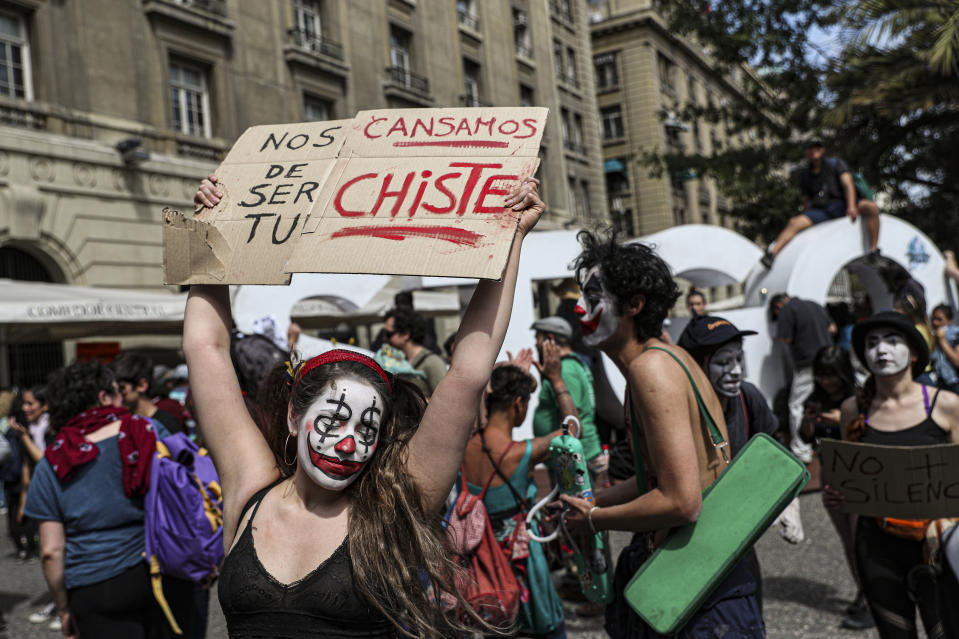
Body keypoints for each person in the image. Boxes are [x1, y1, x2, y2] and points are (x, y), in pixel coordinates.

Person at [190, 174, 545, 638]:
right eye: (335, 420)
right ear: (296, 417)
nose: (348, 444)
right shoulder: (250, 488)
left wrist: (511, 233)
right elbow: (205, 348)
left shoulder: (393, 504)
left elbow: (470, 371)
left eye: (367, 430)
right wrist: (208, 229)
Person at [559, 230, 764, 638]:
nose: (579, 309)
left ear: (635, 305)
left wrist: (596, 519)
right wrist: (592, 500)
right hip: (701, 585)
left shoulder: (651, 369)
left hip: (702, 596)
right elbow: (665, 477)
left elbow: (681, 501)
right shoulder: (667, 360)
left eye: (593, 297)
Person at [22, 361, 194, 638]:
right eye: (116, 391)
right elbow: (188, 491)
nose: (122, 398)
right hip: (164, 571)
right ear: (103, 397)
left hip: (94, 585)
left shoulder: (52, 461)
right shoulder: (147, 431)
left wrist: (64, 608)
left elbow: (51, 550)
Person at [825, 311, 959, 639]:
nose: (881, 350)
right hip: (877, 548)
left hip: (936, 546)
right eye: (872, 343)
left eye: (892, 341)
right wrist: (839, 495)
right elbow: (849, 480)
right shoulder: (853, 410)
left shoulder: (947, 406)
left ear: (914, 353)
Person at [462, 363, 573, 639]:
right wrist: (557, 381)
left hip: (479, 562)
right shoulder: (521, 454)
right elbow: (572, 429)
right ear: (519, 403)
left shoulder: (464, 447)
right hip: (522, 564)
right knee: (547, 628)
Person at [798, 346, 872, 630]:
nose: (827, 381)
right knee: (847, 542)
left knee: (861, 541)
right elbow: (805, 438)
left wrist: (840, 420)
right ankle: (863, 591)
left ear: (843, 372)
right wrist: (808, 421)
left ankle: (871, 599)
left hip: (857, 475)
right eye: (822, 375)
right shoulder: (816, 399)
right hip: (830, 472)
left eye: (832, 375)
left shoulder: (859, 398)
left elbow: (866, 435)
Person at [762, 138, 879, 267]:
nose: (814, 151)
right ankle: (772, 254)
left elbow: (848, 185)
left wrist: (851, 206)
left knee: (871, 208)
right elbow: (806, 199)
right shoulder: (805, 175)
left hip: (842, 204)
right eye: (810, 148)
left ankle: (873, 251)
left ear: (822, 150)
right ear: (806, 152)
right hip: (822, 210)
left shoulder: (836, 164)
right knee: (794, 222)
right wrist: (805, 216)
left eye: (817, 147)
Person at [530, 317, 605, 481]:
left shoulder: (565, 370)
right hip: (569, 456)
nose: (536, 344)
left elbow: (572, 420)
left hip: (572, 459)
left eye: (538, 338)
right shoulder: (571, 363)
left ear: (550, 338)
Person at [769, 293, 835, 463]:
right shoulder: (814, 303)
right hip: (829, 359)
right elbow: (832, 328)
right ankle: (825, 442)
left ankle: (801, 450)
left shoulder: (787, 310)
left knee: (796, 405)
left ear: (778, 306)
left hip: (808, 362)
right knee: (824, 401)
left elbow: (785, 338)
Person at [110, 352, 184, 434]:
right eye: (112, 390)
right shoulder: (119, 422)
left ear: (142, 385)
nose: (116, 395)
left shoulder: (167, 424)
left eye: (121, 388)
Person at [383, 306, 447, 396]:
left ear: (406, 334)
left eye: (389, 334)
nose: (385, 338)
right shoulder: (396, 361)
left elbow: (445, 399)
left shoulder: (432, 363)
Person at [930, 304, 959, 394]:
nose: (935, 323)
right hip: (941, 383)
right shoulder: (934, 336)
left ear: (949, 321)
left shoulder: (955, 335)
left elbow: (957, 361)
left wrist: (942, 340)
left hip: (955, 382)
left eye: (939, 319)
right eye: (933, 319)